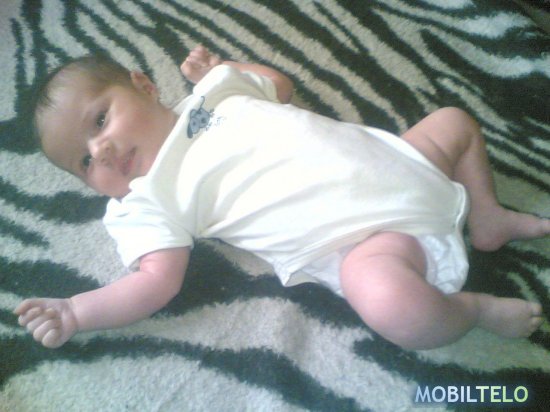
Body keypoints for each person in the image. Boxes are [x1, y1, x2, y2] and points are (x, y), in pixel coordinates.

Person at [15, 45, 549, 350]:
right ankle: (472, 310)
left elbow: (281, 85)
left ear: (144, 85)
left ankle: (487, 216)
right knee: (397, 310)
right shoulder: (147, 201)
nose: (101, 151)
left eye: (100, 120)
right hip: (371, 241)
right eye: (84, 162)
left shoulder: (213, 92)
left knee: (454, 121)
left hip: (404, 160)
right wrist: (77, 311)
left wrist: (225, 70)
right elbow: (155, 281)